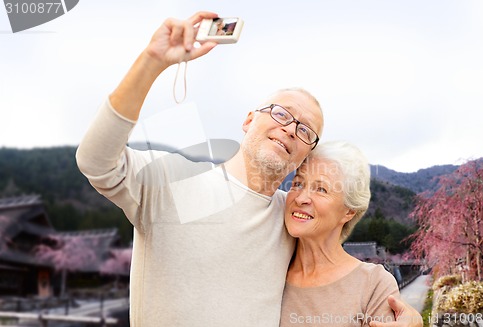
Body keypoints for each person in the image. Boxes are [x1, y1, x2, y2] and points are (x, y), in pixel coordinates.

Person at [76, 11, 422, 327]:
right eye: (281, 113)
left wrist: (414, 321)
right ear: (248, 119)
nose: (289, 128)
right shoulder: (174, 179)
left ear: (305, 155)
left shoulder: (289, 219)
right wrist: (151, 63)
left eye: (305, 130)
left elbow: (337, 266)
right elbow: (95, 160)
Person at [280, 141, 409, 326]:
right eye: (298, 183)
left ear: (348, 211)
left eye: (321, 189)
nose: (300, 198)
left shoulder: (373, 285)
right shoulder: (271, 270)